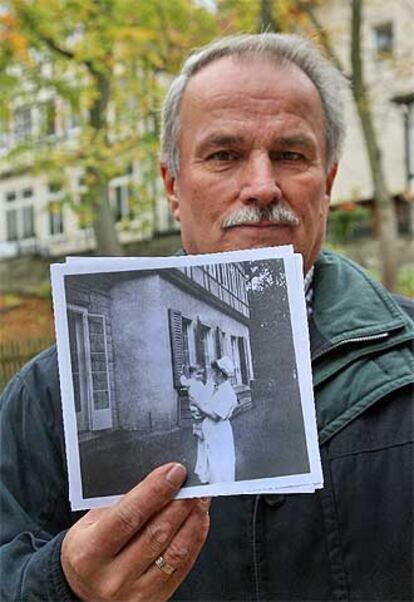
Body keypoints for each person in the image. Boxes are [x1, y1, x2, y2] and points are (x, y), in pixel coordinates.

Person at [1, 32, 413, 601]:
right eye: (224, 155)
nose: (263, 185)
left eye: (291, 155)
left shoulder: (406, 364)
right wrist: (62, 585)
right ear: (173, 187)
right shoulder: (47, 396)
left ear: (328, 182)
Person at [191, 357, 238, 484]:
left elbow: (215, 415)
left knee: (220, 464)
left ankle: (222, 490)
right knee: (209, 462)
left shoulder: (228, 393)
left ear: (220, 374)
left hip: (220, 432)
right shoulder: (214, 386)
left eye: (213, 372)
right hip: (210, 431)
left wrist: (198, 405)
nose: (211, 375)